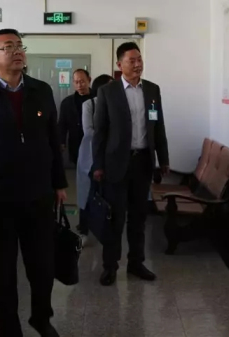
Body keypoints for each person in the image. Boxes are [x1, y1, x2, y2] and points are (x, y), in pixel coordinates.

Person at [0, 29, 67, 337]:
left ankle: (41, 318)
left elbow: (53, 140)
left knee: (42, 267)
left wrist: (59, 183)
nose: (17, 51)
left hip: (38, 195)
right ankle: (8, 328)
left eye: (20, 46)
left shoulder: (41, 90)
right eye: (8, 47)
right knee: (3, 271)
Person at [92, 42, 170, 286]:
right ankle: (110, 266)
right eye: (131, 61)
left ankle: (136, 263)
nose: (137, 65)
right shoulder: (108, 91)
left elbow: (158, 126)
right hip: (115, 164)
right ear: (119, 64)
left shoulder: (152, 90)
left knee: (138, 218)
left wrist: (163, 159)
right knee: (115, 219)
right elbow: (100, 131)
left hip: (143, 162)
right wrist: (98, 165)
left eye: (139, 60)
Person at [76, 74, 114, 241]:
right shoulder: (89, 104)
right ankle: (84, 228)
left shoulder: (116, 105)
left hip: (111, 156)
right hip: (91, 155)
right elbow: (88, 131)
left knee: (106, 193)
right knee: (88, 192)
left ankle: (103, 226)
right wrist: (111, 137)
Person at [58, 69, 92, 165]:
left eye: (82, 81)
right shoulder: (67, 102)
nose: (79, 85)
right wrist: (61, 141)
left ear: (89, 80)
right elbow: (62, 124)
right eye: (76, 82)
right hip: (76, 142)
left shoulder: (98, 98)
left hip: (93, 141)